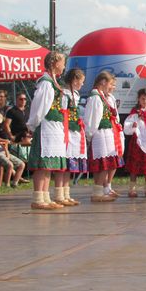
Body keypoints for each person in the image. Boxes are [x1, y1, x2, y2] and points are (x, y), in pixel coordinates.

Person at [26, 52, 70, 210]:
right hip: (45, 126)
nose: (64, 66)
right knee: (42, 163)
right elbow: (40, 105)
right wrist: (33, 124)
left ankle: (46, 196)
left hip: (54, 127)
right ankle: (38, 198)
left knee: (49, 163)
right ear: (53, 63)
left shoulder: (53, 81)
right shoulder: (45, 82)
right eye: (62, 62)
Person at [84, 71, 123, 203]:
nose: (112, 87)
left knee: (105, 163)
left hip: (106, 134)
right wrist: (89, 136)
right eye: (110, 84)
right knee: (102, 163)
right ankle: (97, 192)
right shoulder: (95, 97)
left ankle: (100, 190)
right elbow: (91, 120)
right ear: (103, 82)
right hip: (99, 134)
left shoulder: (103, 97)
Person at [60, 68, 87, 207]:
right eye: (81, 81)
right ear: (75, 80)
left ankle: (66, 193)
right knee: (64, 165)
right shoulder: (65, 94)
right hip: (67, 132)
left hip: (74, 132)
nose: (82, 84)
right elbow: (64, 113)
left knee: (70, 165)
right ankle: (60, 194)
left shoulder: (75, 94)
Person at [104, 76, 124, 197]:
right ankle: (104, 186)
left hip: (116, 130)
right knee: (107, 159)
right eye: (111, 85)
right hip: (107, 130)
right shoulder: (101, 97)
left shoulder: (111, 97)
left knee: (116, 159)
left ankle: (109, 185)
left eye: (114, 85)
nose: (113, 87)